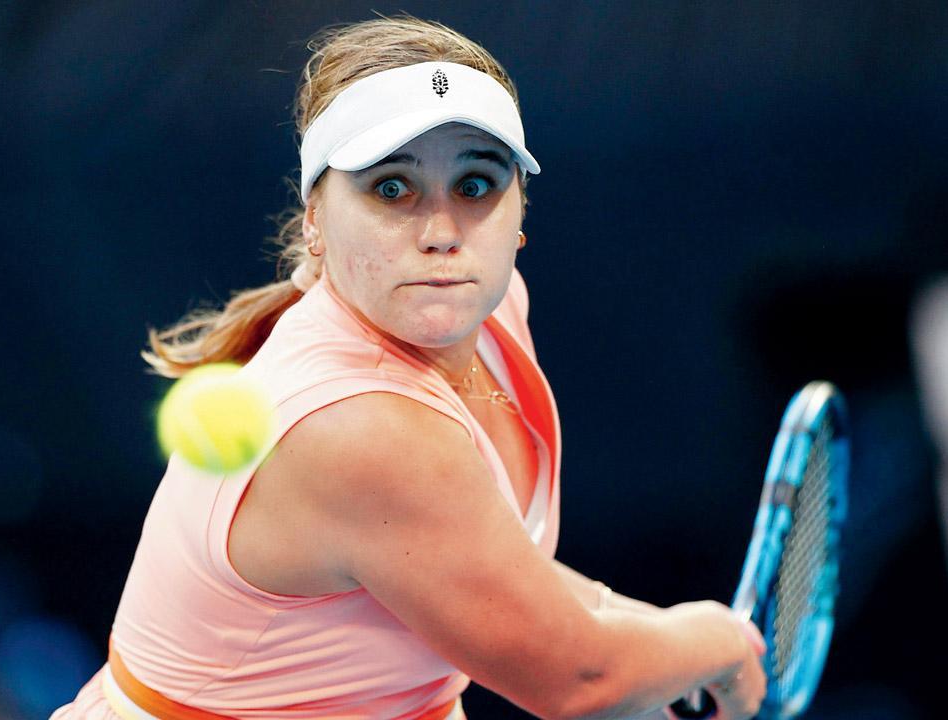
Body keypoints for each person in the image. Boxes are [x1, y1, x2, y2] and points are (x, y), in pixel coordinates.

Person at [52, 15, 765, 720]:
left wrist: (652, 654)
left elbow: (499, 569)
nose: (443, 233)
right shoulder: (367, 428)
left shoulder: (489, 313)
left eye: (476, 184)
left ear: (521, 211)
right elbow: (578, 681)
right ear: (314, 221)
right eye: (392, 189)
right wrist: (714, 642)